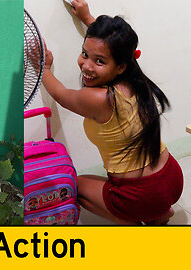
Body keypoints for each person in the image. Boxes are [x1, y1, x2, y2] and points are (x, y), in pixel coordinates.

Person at [42, 0, 183, 225]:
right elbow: (115, 47)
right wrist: (88, 18)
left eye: (99, 61)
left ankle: (137, 223)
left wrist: (44, 67)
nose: (86, 66)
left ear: (120, 66)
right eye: (84, 54)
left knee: (73, 186)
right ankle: (159, 215)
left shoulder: (99, 99)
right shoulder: (135, 78)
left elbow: (60, 95)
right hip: (172, 176)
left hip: (143, 193)